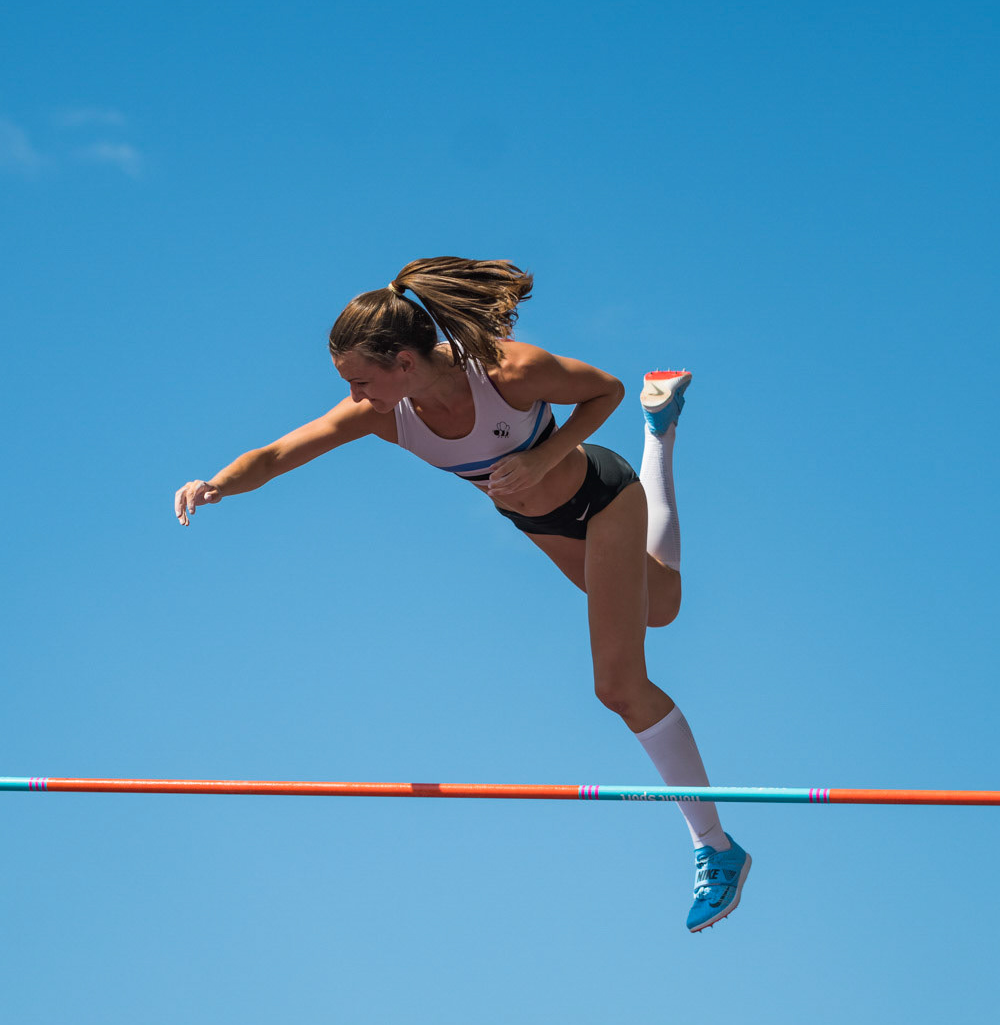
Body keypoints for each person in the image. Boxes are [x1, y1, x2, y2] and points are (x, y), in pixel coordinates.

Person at [174, 256, 751, 931]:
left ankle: (716, 846)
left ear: (404, 362)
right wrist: (215, 483)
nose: (354, 394)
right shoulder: (382, 414)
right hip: (543, 523)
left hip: (600, 499)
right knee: (665, 608)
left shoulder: (506, 371)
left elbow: (605, 390)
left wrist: (541, 455)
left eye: (361, 378)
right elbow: (277, 455)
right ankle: (664, 432)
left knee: (619, 685)